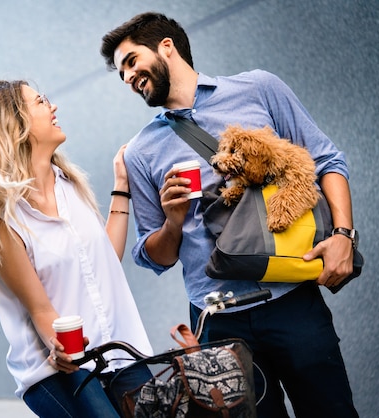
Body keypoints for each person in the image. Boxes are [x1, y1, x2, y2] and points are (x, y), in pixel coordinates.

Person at [100, 12, 358, 418]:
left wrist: (344, 234)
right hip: (216, 323)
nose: (128, 77)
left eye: (131, 61)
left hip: (291, 300)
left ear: (166, 46)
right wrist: (172, 220)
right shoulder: (139, 152)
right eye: (121, 74)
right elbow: (155, 256)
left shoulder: (258, 88)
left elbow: (327, 160)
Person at [0, 80, 153, 417]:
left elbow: (105, 262)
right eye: (41, 101)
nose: (53, 106)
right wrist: (63, 349)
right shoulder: (3, 217)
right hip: (57, 370)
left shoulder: (69, 184)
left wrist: (121, 186)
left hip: (118, 350)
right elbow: (41, 309)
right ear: (16, 124)